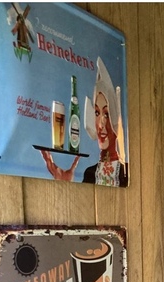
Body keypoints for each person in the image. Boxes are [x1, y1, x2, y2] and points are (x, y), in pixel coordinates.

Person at [40, 57, 127, 186]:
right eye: (97, 113)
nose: (100, 123)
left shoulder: (126, 173)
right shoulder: (89, 173)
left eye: (107, 114)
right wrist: (66, 184)